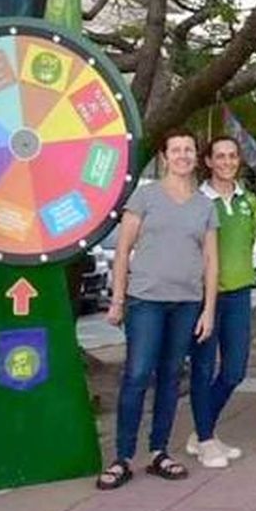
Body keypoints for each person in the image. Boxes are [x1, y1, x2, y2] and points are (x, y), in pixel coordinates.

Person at [99, 130, 218, 490]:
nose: (182, 155)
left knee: (170, 377)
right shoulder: (145, 196)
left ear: (196, 157)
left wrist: (208, 309)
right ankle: (122, 457)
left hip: (186, 303)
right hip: (146, 301)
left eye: (188, 149)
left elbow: (212, 261)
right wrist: (118, 299)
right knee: (137, 375)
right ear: (165, 157)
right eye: (176, 150)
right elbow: (122, 250)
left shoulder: (205, 205)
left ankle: (158, 451)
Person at [186, 135, 256, 468]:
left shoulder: (249, 202)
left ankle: (202, 431)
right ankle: (205, 440)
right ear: (208, 162)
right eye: (220, 156)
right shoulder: (197, 201)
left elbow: (248, 242)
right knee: (202, 369)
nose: (227, 162)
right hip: (204, 297)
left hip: (239, 293)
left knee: (234, 371)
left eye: (233, 156)